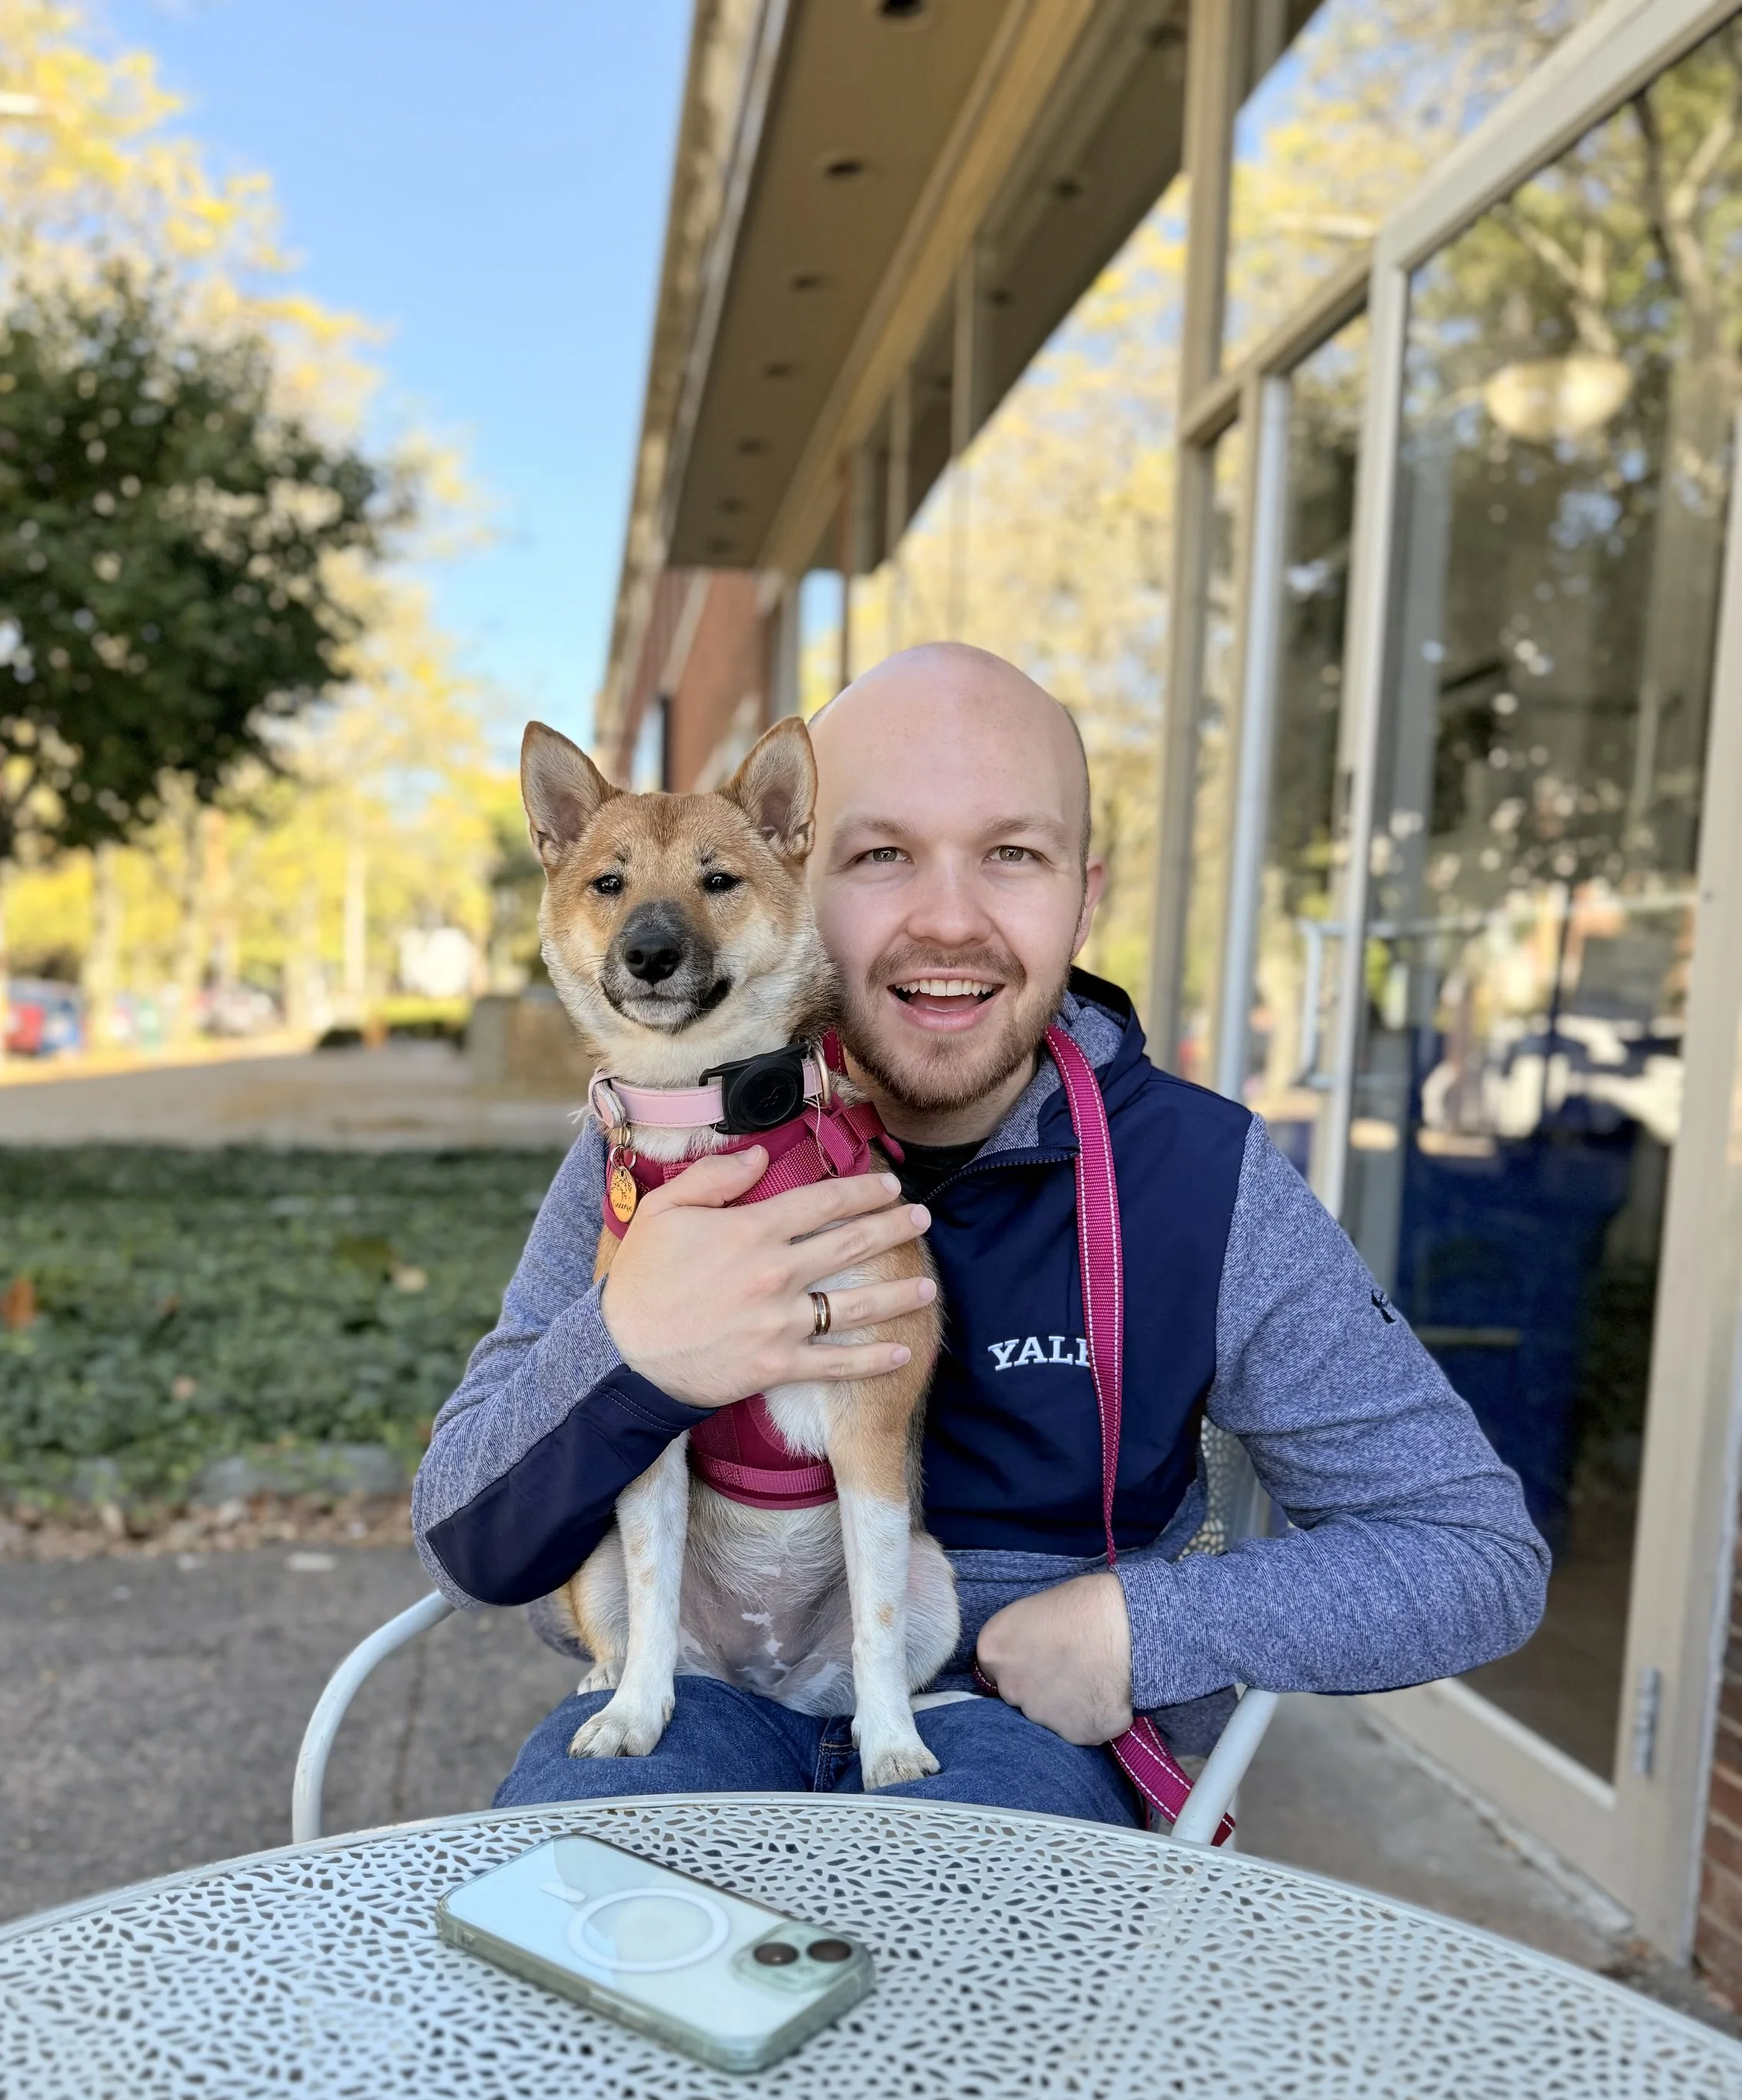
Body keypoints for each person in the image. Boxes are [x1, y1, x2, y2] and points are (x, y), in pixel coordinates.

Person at [412, 643, 1547, 1822]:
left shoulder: (1202, 1179)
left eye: (1013, 856)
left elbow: (1473, 1553)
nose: (948, 920)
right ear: (803, 879)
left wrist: (1142, 1624)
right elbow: (467, 1543)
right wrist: (628, 1356)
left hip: (1013, 1725)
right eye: (881, 855)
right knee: (588, 1953)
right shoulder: (655, 1141)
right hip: (692, 1696)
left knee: (976, 1987)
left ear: (1083, 899)